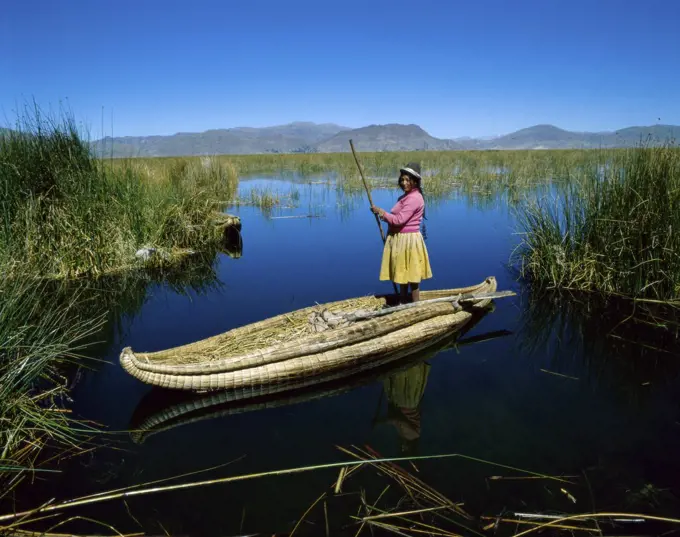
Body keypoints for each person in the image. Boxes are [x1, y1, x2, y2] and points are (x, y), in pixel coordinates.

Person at [370, 162, 432, 303]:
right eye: (402, 179)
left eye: (407, 180)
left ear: (415, 181)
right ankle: (403, 303)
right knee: (402, 275)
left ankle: (415, 306)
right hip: (400, 239)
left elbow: (399, 220)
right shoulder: (405, 197)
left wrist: (382, 213)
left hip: (408, 241)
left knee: (412, 277)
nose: (404, 183)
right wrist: (380, 213)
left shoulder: (415, 198)